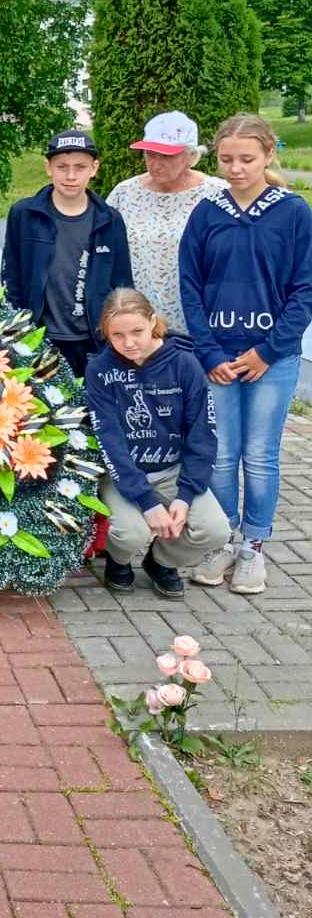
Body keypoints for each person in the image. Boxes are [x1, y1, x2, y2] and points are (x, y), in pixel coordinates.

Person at [179, 113, 312, 596]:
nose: (236, 169)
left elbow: (304, 290)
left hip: (271, 361)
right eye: (227, 159)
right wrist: (208, 350)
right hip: (217, 357)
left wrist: (267, 352)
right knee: (220, 456)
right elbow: (190, 287)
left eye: (247, 159)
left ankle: (254, 545)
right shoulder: (206, 212)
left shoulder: (293, 212)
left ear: (269, 155)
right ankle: (223, 540)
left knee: (259, 456)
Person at [86, 289, 230, 599]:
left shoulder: (185, 364)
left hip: (171, 471)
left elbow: (203, 434)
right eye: (117, 335)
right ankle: (118, 560)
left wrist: (185, 495)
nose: (129, 343)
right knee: (131, 533)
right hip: (123, 472)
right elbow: (109, 440)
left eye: (137, 331)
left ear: (152, 322)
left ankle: (161, 561)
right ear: (106, 333)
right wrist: (146, 501)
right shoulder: (99, 370)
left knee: (216, 530)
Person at [1, 129, 133, 376]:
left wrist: (119, 336)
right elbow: (12, 278)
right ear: (48, 167)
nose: (71, 176)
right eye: (62, 167)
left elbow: (122, 284)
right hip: (39, 340)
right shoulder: (24, 214)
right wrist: (21, 330)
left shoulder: (110, 219)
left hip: (94, 343)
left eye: (80, 167)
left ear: (94, 168)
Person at [106, 111, 227, 337]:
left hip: (201, 322)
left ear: (190, 156)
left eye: (167, 156)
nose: (156, 163)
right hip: (138, 326)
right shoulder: (125, 193)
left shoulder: (217, 194)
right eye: (150, 154)